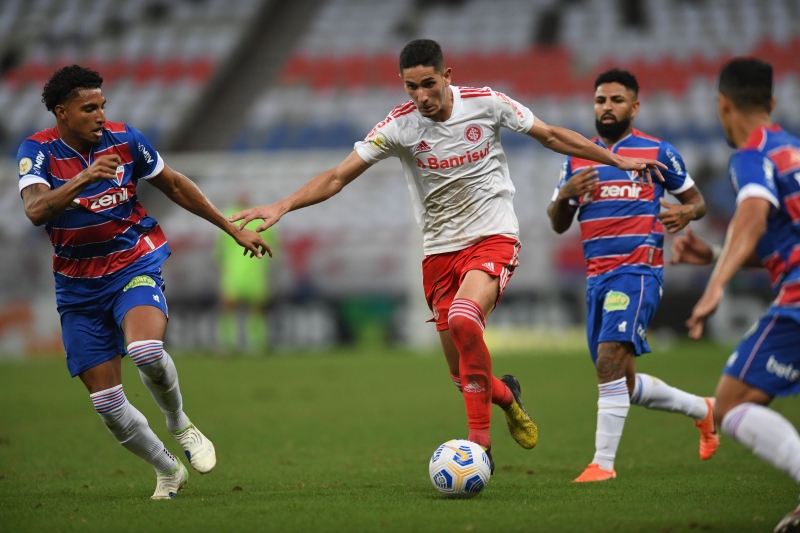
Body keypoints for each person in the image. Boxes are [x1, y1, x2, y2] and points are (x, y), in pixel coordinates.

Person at [230, 39, 665, 468]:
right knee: (462, 376)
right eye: (411, 87)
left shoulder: (487, 103)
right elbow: (338, 176)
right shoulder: (398, 126)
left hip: (493, 236)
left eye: (428, 84)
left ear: (447, 76)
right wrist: (282, 205)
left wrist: (615, 160)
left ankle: (481, 448)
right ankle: (507, 396)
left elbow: (550, 135)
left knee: (462, 318)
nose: (421, 96)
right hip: (439, 251)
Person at [17, 65, 270, 499]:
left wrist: (231, 229)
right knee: (107, 405)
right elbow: (36, 210)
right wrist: (84, 177)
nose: (100, 116)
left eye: (102, 106)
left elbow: (173, 184)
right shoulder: (38, 151)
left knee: (147, 350)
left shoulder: (126, 139)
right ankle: (167, 468)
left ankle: (181, 425)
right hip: (77, 288)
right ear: (62, 112)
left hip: (133, 265)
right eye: (88, 108)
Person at [546, 69, 717, 483]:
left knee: (608, 364)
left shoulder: (657, 152)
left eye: (616, 100)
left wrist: (684, 212)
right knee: (621, 379)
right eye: (601, 100)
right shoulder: (577, 156)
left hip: (637, 273)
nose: (607, 107)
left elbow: (697, 202)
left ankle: (602, 465)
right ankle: (704, 409)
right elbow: (557, 224)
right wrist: (566, 196)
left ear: (634, 106)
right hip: (596, 280)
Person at [672, 58, 800, 533]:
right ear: (771, 101)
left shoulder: (752, 154)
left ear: (722, 104)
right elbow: (775, 233)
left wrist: (715, 284)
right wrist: (715, 255)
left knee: (729, 406)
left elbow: (751, 215)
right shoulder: (793, 151)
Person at [217, 192, 279, 354]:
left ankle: (256, 344)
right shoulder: (228, 217)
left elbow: (272, 245)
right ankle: (227, 344)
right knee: (229, 307)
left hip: (255, 270)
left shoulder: (259, 218)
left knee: (257, 309)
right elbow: (220, 249)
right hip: (234, 270)